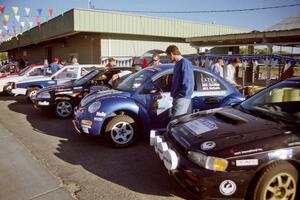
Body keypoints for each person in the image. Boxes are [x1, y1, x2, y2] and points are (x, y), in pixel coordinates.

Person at [165, 45, 195, 120]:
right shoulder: (177, 64)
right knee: (179, 123)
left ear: (171, 53)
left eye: (168, 55)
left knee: (176, 123)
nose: (167, 58)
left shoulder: (185, 63)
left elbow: (188, 83)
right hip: (178, 98)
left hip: (182, 99)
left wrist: (181, 95)